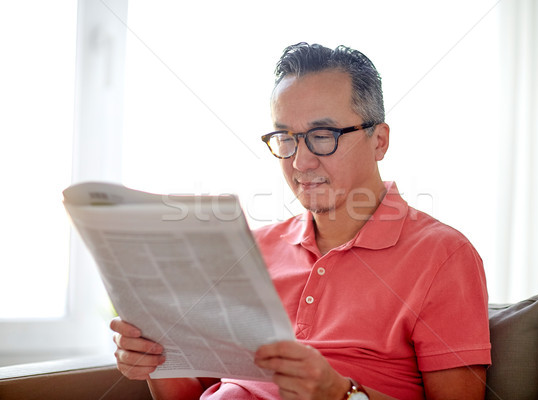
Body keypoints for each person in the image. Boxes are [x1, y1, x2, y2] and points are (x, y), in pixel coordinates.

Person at [111, 42, 491, 400]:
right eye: (285, 137)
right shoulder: (250, 249)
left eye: (322, 136)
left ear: (380, 141)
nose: (300, 162)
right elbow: (198, 392)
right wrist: (155, 364)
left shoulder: (443, 254)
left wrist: (340, 394)